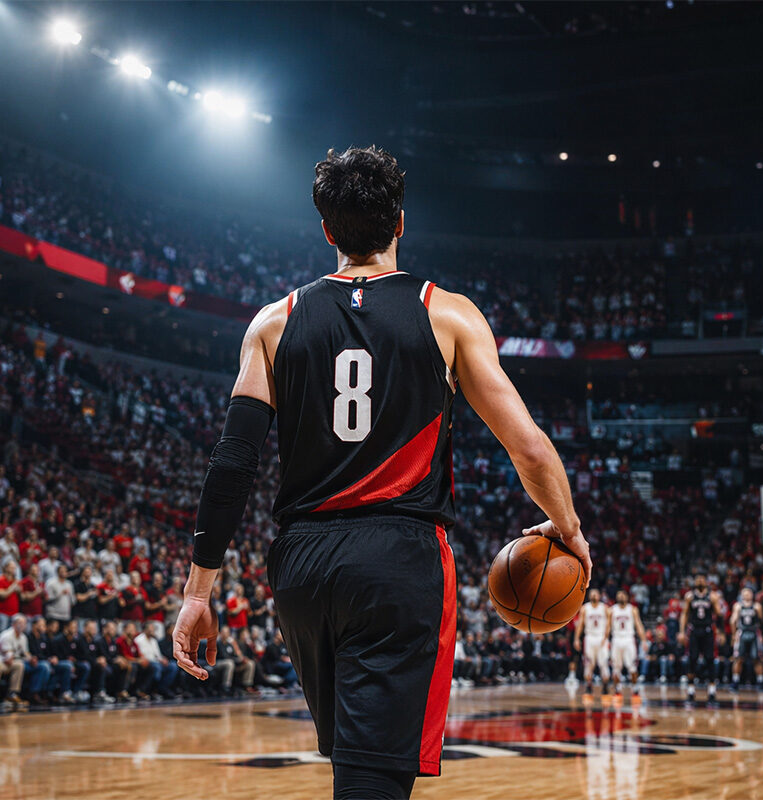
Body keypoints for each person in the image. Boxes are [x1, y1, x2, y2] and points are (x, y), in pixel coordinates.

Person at [172, 146, 591, 800]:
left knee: (357, 768)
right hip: (398, 561)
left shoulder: (272, 323)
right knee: (376, 781)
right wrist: (568, 528)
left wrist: (199, 592)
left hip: (303, 566)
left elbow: (233, 465)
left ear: (327, 231)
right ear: (401, 223)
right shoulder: (444, 312)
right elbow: (530, 449)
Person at [679, 572, 722, 704]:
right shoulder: (690, 596)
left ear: (706, 581)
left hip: (708, 630)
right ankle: (691, 691)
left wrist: (720, 632)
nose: (700, 581)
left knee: (710, 659)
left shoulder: (712, 596)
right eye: (698, 579)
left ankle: (711, 691)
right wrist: (681, 631)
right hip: (694, 630)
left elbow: (719, 614)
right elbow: (684, 614)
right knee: (692, 659)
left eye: (702, 579)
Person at [608, 590, 647, 702]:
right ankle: (618, 689)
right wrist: (605, 640)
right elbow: (608, 627)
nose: (621, 596)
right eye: (619, 594)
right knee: (616, 668)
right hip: (616, 639)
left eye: (623, 594)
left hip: (629, 639)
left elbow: (639, 625)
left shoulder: (633, 609)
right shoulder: (612, 610)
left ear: (627, 597)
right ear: (616, 597)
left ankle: (635, 689)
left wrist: (644, 641)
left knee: (632, 667)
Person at [574, 588, 611, 701]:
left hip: (601, 638)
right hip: (589, 637)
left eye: (596, 593)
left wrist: (606, 637)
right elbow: (580, 624)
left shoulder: (604, 608)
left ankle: (605, 686)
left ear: (599, 595)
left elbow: (609, 624)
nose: (594, 595)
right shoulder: (585, 608)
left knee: (603, 663)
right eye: (592, 593)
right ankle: (588, 686)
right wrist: (576, 639)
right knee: (589, 664)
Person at [730, 587, 763, 692]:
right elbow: (732, 620)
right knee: (738, 658)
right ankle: (735, 681)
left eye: (748, 593)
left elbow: (762, 621)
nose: (747, 595)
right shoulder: (738, 606)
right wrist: (733, 634)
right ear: (741, 595)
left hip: (754, 633)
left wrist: (762, 634)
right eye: (744, 593)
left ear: (752, 595)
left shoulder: (757, 606)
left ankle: (761, 681)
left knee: (757, 659)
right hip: (742, 633)